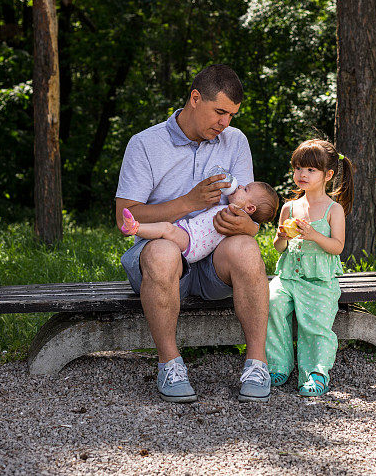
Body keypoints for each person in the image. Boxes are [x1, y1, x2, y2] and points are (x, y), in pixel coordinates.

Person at [115, 64, 272, 403]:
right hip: (164, 255)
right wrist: (188, 202)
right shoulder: (145, 144)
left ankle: (257, 363)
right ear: (195, 98)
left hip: (214, 260)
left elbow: (248, 210)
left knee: (245, 247)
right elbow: (125, 216)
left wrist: (248, 224)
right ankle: (170, 364)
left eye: (231, 115)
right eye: (219, 112)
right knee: (161, 252)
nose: (225, 123)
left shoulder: (235, 142)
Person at [265, 139, 355, 397]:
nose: (302, 175)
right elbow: (279, 248)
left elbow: (337, 247)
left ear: (327, 175)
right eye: (298, 168)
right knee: (272, 303)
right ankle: (279, 364)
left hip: (320, 280)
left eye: (310, 170)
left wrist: (314, 235)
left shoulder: (333, 209)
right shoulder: (289, 207)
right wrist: (282, 235)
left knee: (315, 324)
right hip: (288, 277)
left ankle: (316, 372)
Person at [120, 181, 279, 263]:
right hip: (189, 233)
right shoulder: (228, 210)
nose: (241, 186)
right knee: (165, 229)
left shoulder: (234, 215)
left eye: (245, 190)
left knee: (166, 229)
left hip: (191, 243)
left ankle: (135, 228)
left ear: (250, 208)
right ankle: (135, 227)